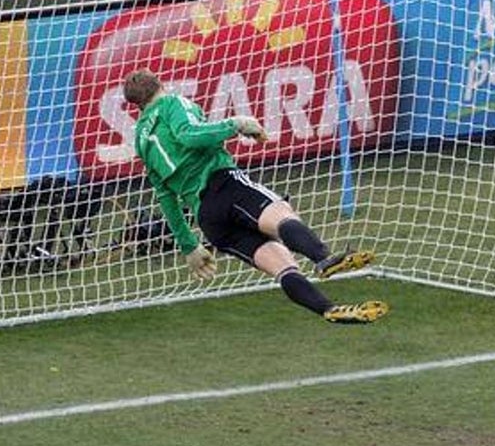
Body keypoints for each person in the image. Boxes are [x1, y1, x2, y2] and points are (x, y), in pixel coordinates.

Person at [123, 70, 388, 325]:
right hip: (224, 184)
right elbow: (188, 135)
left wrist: (189, 245)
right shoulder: (172, 102)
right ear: (161, 85)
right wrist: (235, 124)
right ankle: (323, 258)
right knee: (282, 215)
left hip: (208, 219)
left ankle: (329, 309)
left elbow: (165, 196)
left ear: (138, 106)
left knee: (283, 267)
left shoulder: (140, 140)